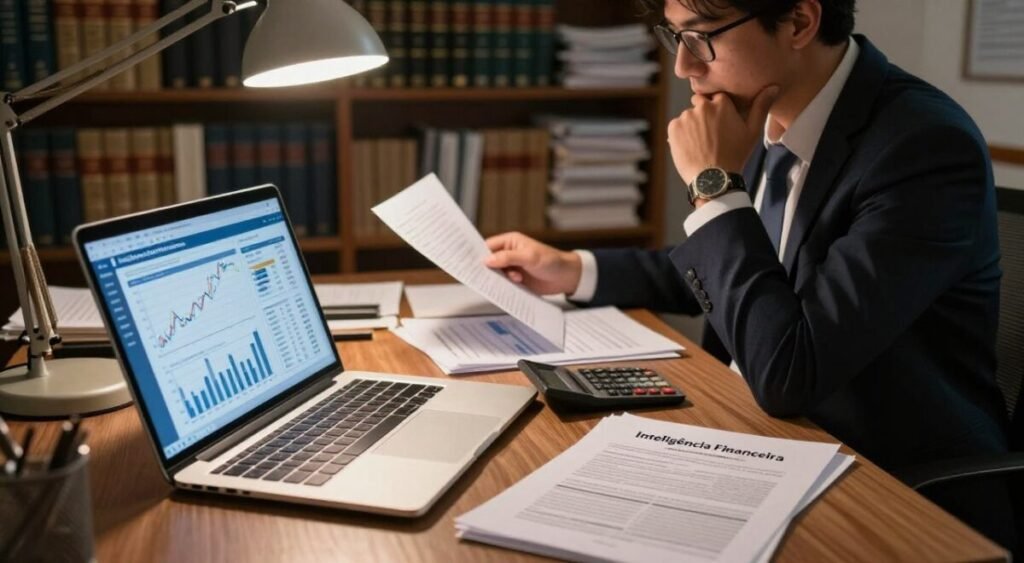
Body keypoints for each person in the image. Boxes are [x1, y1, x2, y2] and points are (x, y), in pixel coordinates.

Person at [484, 0, 1017, 551]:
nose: (683, 68)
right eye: (676, 38)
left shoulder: (921, 146)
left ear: (799, 22)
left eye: (703, 37)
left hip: (887, 488)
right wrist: (575, 270)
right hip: (756, 435)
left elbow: (792, 369)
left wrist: (713, 185)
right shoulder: (768, 109)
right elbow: (746, 271)